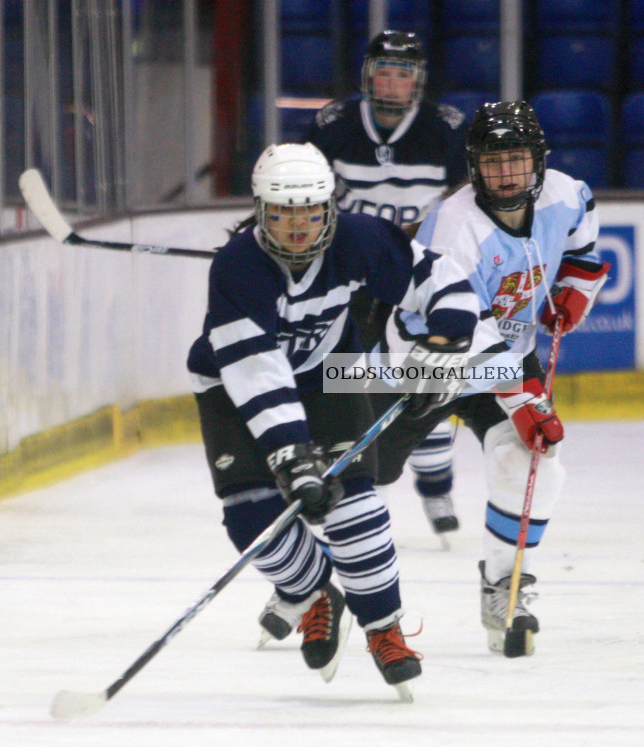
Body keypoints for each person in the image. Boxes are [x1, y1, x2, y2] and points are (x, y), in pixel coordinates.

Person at [186, 142, 481, 694]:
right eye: (282, 211)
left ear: (329, 207)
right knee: (251, 518)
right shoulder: (238, 266)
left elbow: (445, 283)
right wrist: (292, 453)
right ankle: (318, 592)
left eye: (309, 210)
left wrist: (444, 341)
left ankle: (383, 627)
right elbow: (257, 371)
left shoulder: (359, 239)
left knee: (355, 504)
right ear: (259, 209)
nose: (298, 225)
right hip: (231, 386)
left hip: (329, 371)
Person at [370, 101, 610, 658]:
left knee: (532, 458)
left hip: (508, 355)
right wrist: (522, 393)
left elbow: (583, 240)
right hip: (423, 360)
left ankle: (504, 587)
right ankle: (312, 583)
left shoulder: (565, 194)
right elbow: (461, 327)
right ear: (473, 167)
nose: (506, 174)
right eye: (493, 162)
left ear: (539, 162)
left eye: (517, 161)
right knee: (365, 474)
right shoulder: (453, 227)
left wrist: (576, 286)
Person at [304, 29, 469, 539]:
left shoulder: (446, 130)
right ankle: (346, 475)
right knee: (346, 376)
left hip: (411, 273)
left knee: (423, 380)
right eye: (383, 71)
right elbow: (296, 189)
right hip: (351, 274)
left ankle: (436, 485)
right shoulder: (332, 125)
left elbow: (465, 201)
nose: (392, 83)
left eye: (403, 73)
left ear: (417, 81)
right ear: (366, 75)